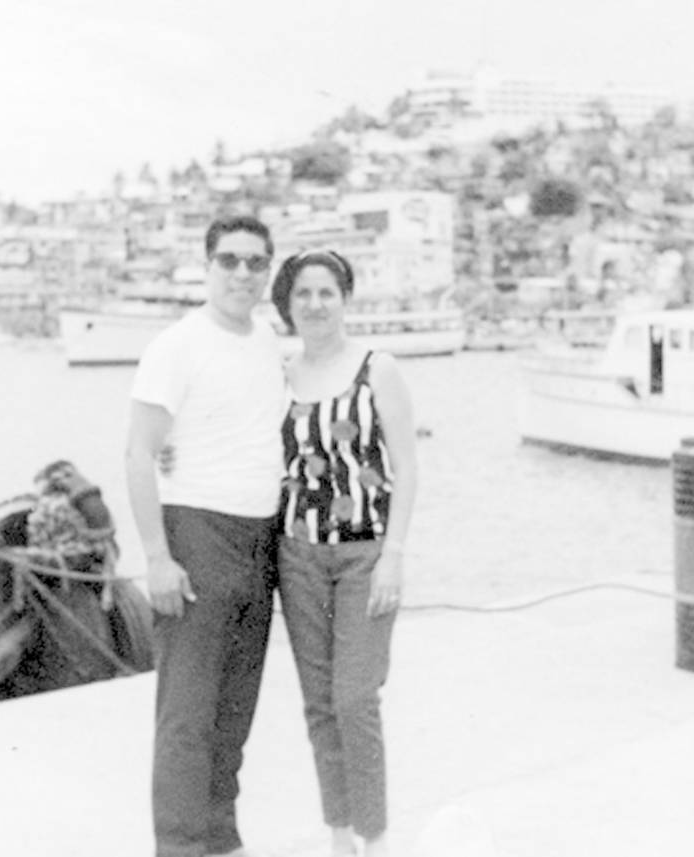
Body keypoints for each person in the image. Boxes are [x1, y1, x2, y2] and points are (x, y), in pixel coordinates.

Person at [124, 214, 284, 857]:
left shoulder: (267, 339)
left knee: (235, 705)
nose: (243, 273)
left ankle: (220, 837)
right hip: (196, 531)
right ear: (208, 266)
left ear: (268, 270)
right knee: (187, 712)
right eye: (229, 260)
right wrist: (157, 557)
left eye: (255, 261)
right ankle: (181, 846)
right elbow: (139, 453)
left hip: (260, 538)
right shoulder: (177, 346)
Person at [270, 250, 418, 857]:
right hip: (298, 555)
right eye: (302, 294)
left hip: (365, 556)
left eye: (326, 292)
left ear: (345, 298)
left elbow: (407, 467)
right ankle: (338, 837)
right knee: (319, 705)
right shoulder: (279, 375)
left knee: (355, 700)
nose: (314, 304)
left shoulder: (377, 369)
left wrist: (394, 555)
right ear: (287, 305)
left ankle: (374, 838)